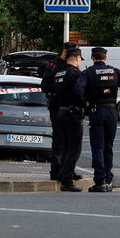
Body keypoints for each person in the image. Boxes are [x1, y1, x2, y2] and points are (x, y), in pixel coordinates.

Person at [74, 46, 120, 193]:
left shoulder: (88, 72)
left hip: (97, 110)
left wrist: (85, 104)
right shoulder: (114, 71)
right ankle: (108, 178)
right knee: (108, 146)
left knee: (97, 147)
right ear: (105, 58)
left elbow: (77, 90)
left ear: (93, 58)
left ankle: (99, 179)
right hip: (111, 110)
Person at [40, 42, 79, 181]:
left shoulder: (72, 67)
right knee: (59, 140)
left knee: (71, 141)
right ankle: (56, 171)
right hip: (57, 106)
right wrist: (59, 88)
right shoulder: (53, 65)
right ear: (64, 52)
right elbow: (44, 86)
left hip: (70, 106)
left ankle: (69, 170)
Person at [51, 47, 86, 192]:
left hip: (60, 111)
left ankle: (63, 174)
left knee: (64, 146)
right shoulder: (75, 73)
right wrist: (85, 104)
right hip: (73, 113)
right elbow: (80, 91)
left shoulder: (59, 73)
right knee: (74, 148)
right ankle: (67, 180)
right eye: (80, 60)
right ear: (77, 58)